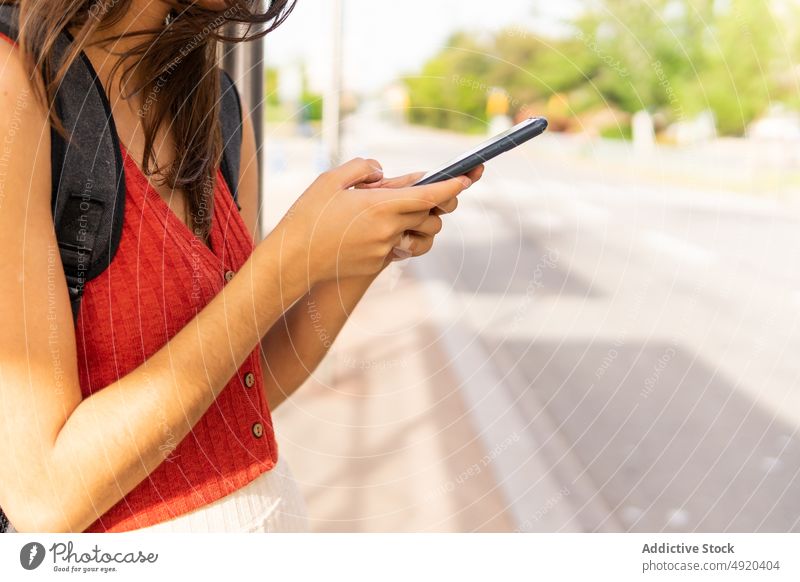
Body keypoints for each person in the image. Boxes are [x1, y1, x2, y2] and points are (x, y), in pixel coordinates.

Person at [0, 0, 483, 533]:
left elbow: (241, 388)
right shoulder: (14, 84)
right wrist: (285, 264)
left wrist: (349, 258)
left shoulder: (215, 106)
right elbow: (41, 496)